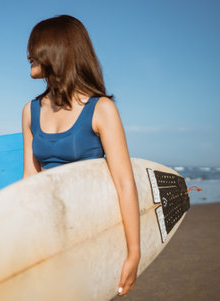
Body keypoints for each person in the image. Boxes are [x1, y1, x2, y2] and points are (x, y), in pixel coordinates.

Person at [22, 15, 140, 296]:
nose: (28, 54)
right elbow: (29, 180)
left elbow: (125, 183)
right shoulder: (30, 111)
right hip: (50, 235)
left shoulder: (101, 109)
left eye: (36, 47)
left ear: (58, 50)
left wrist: (134, 251)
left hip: (94, 233)